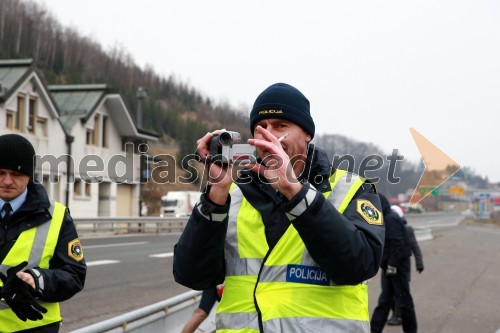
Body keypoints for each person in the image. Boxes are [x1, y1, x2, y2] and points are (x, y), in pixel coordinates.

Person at [174, 83, 385, 332]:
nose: (269, 135)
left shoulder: (352, 188)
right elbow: (192, 276)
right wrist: (216, 192)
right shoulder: (231, 195)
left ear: (307, 134)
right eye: (261, 128)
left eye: (280, 126)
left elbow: (359, 266)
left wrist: (296, 193)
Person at [0, 134, 86, 332]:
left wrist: (37, 280)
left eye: (16, 174)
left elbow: (74, 274)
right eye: (1, 172)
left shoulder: (56, 216)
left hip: (34, 328)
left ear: (30, 175)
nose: (7, 181)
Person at [370, 195, 417, 333]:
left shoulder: (390, 219)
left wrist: (392, 265)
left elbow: (397, 243)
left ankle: (410, 330)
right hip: (391, 265)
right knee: (385, 301)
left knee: (403, 301)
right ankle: (374, 329)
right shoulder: (387, 217)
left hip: (398, 266)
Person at [387, 205, 424, 326]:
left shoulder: (407, 229)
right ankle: (396, 314)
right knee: (389, 293)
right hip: (389, 265)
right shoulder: (387, 228)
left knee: (400, 292)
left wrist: (419, 263)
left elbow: (415, 247)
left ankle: (398, 316)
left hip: (403, 266)